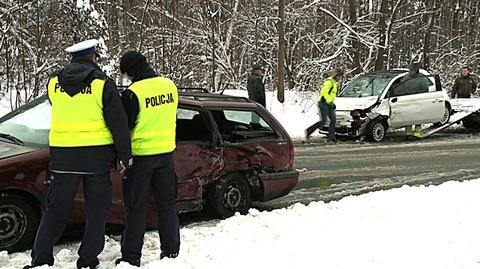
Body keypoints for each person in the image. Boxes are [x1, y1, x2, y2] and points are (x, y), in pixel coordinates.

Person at [24, 39, 132, 269]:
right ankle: (87, 260)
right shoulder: (103, 84)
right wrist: (124, 155)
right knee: (96, 211)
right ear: (93, 57)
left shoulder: (53, 83)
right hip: (96, 158)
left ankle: (41, 259)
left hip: (64, 157)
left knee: (55, 210)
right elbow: (118, 123)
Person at [115, 51, 180, 267]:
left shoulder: (133, 93)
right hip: (166, 155)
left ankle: (131, 256)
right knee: (167, 205)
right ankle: (171, 252)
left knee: (136, 207)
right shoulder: (170, 86)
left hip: (141, 158)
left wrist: (120, 156)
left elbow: (125, 127)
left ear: (131, 70)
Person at [304, 68, 343, 142]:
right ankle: (308, 131)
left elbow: (331, 95)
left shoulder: (334, 83)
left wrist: (331, 103)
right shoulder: (329, 82)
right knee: (323, 121)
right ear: (335, 75)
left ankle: (332, 137)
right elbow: (325, 93)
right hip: (323, 103)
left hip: (329, 104)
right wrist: (329, 102)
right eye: (339, 76)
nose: (340, 78)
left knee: (333, 119)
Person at [402, 64, 424, 138]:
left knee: (418, 117)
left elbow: (425, 89)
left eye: (412, 71)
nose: (410, 72)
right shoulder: (406, 77)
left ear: (416, 71)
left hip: (418, 100)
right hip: (408, 100)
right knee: (408, 116)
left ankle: (417, 133)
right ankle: (408, 133)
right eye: (409, 71)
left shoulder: (421, 78)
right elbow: (401, 86)